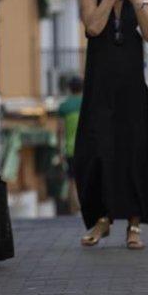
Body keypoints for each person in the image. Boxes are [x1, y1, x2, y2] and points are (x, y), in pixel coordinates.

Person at [74, 0, 148, 249]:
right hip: (101, 88)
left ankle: (134, 224)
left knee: (135, 151)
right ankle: (102, 217)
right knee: (97, 149)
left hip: (136, 89)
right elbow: (94, 28)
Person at [57, 76, 82, 214]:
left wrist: (59, 152)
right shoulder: (87, 103)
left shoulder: (64, 107)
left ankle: (75, 209)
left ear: (69, 89)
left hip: (70, 149)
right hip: (87, 148)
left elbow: (60, 131)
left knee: (72, 180)